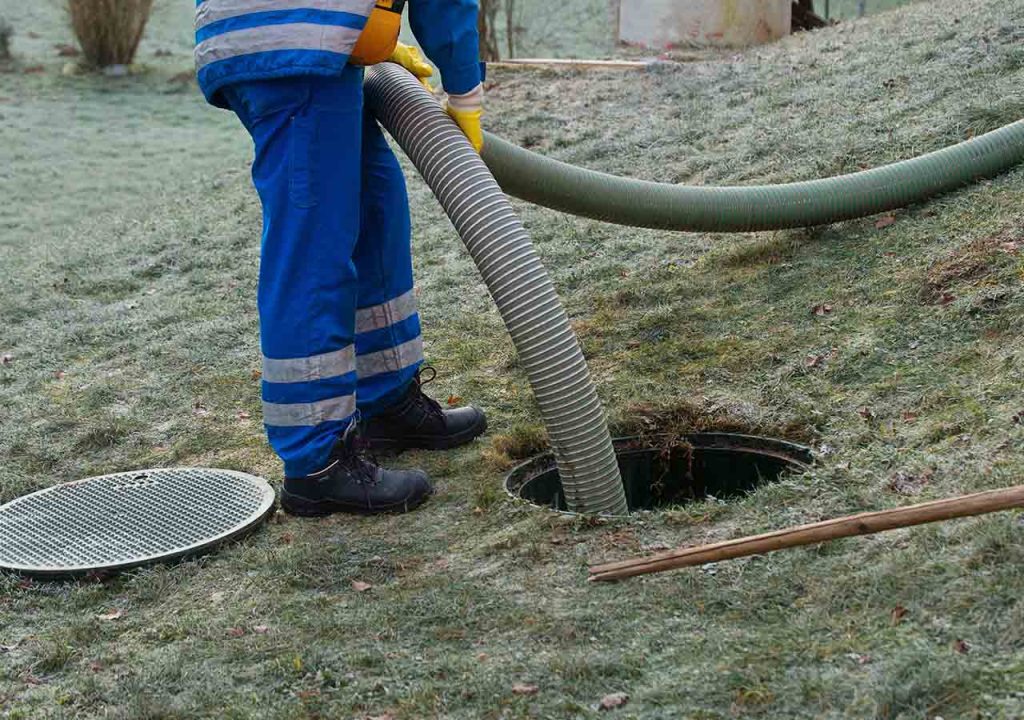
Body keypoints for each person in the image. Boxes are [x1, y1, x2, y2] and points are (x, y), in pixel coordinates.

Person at [194, 0, 488, 517]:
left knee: (373, 208)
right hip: (297, 41)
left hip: (300, 33)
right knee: (314, 250)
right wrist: (465, 90)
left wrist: (360, 30)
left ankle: (387, 400)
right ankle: (318, 462)